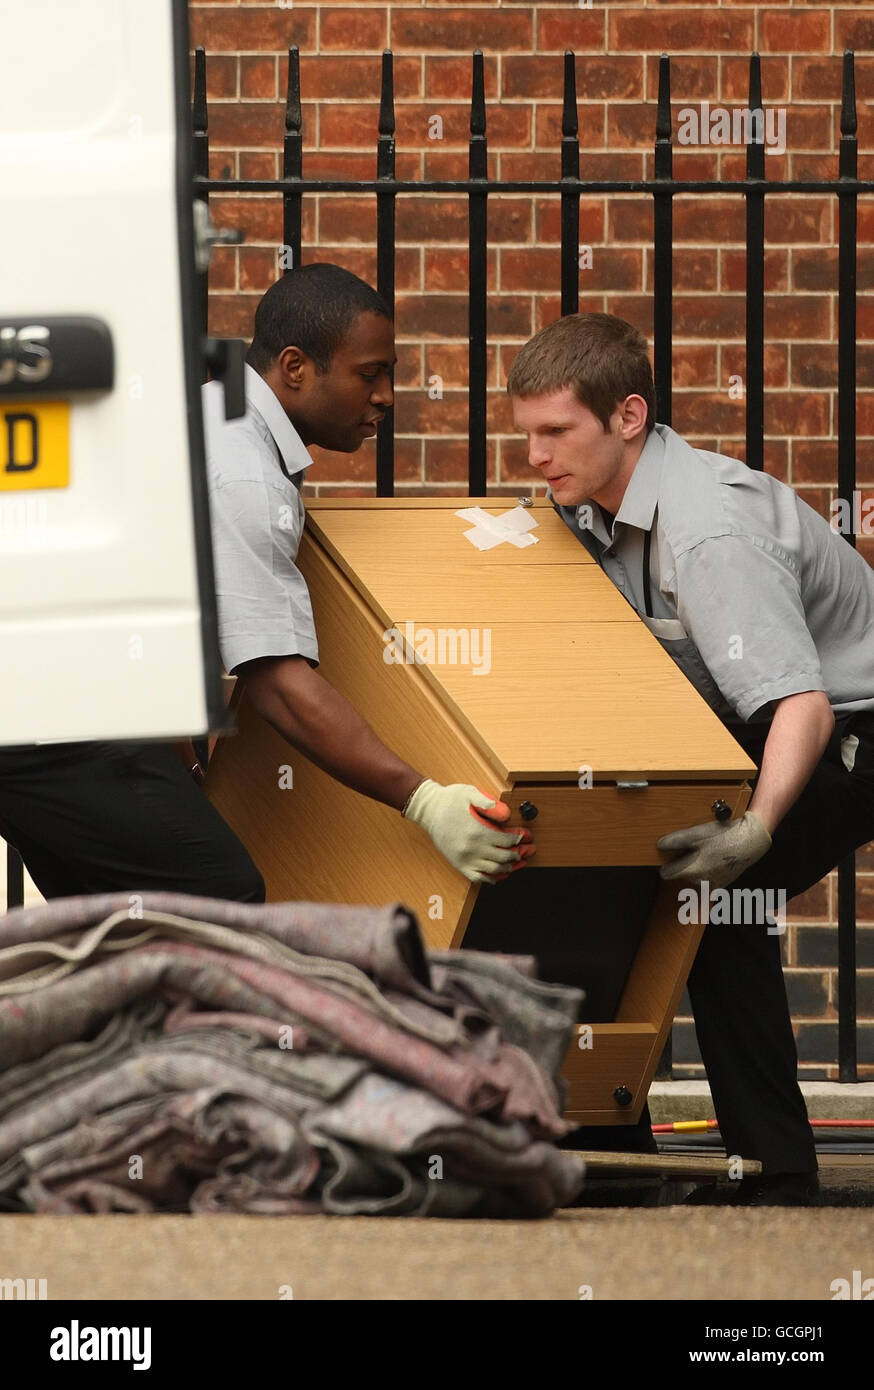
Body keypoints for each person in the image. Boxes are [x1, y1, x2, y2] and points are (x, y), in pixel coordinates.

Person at [0, 264, 531, 903]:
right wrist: (424, 801)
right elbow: (276, 680)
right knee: (224, 902)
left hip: (44, 707)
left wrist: (186, 763)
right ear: (295, 367)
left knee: (118, 924)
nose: (387, 395)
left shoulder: (210, 421)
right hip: (57, 718)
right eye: (370, 373)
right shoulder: (241, 468)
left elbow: (156, 614)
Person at [503, 310, 874, 1205]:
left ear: (628, 419)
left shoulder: (706, 532)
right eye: (527, 435)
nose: (536, 457)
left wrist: (756, 829)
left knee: (719, 900)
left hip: (846, 728)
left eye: (557, 432)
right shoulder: (587, 507)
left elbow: (801, 704)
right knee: (607, 872)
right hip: (752, 724)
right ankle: (606, 1145)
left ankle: (777, 1172)